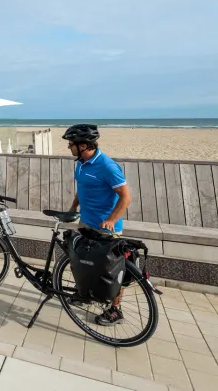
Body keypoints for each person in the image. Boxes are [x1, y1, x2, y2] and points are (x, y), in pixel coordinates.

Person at [63, 123, 132, 326]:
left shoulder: (108, 166)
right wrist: (73, 208)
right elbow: (81, 189)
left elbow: (126, 197)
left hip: (106, 228)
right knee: (82, 262)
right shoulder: (81, 163)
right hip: (86, 223)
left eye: (71, 144)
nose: (69, 147)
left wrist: (111, 220)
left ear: (83, 145)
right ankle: (86, 294)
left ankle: (115, 310)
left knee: (112, 271)